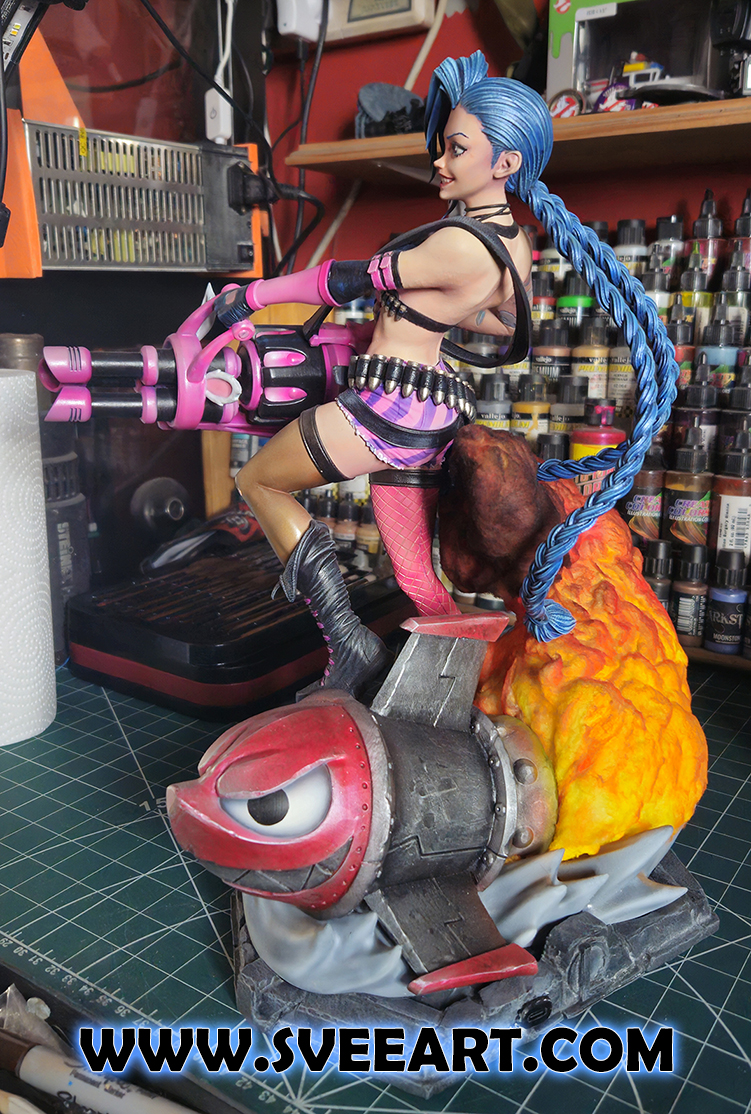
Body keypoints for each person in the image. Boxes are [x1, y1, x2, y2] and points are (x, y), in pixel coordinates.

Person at [212, 51, 675, 695]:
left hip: (386, 405)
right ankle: (463, 688)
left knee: (258, 480)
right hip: (430, 410)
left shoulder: (458, 242)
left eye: (457, 148)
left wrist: (254, 294)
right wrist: (437, 310)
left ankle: (348, 643)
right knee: (416, 580)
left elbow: (346, 280)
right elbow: (504, 324)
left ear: (505, 164)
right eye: (444, 147)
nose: (441, 161)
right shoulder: (512, 243)